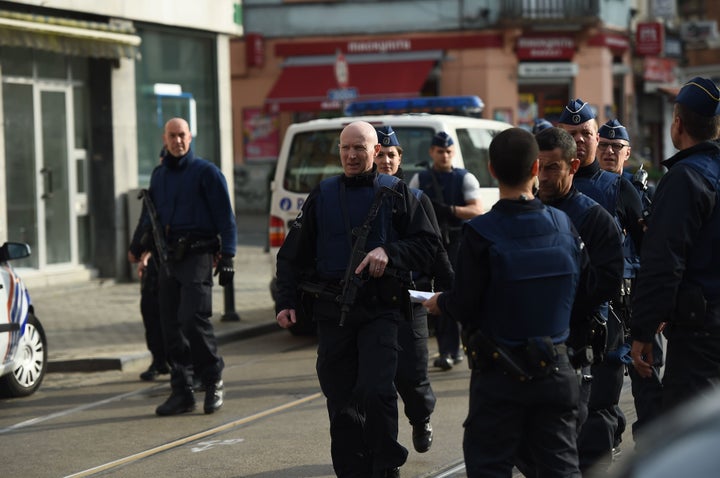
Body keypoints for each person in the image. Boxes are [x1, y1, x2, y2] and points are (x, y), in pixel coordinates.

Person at [275, 120, 440, 478]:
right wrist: (285, 301)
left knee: (377, 391)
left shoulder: (397, 193)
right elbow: (292, 254)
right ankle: (352, 469)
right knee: (340, 396)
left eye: (360, 148)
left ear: (376, 152)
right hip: (333, 313)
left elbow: (429, 246)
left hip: (381, 310)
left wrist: (389, 252)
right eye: (346, 148)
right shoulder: (323, 194)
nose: (351, 155)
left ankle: (385, 465)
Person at [424, 127, 589, 477]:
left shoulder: (480, 233)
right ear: (534, 168)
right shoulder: (564, 225)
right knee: (560, 468)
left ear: (491, 170)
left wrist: (442, 303)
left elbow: (465, 303)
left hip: (499, 377)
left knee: (489, 466)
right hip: (556, 370)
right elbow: (580, 290)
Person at [128, 117, 237, 416]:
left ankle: (213, 379)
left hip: (199, 255)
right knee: (170, 327)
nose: (178, 141)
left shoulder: (207, 172)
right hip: (167, 258)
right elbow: (150, 216)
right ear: (164, 139)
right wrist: (138, 246)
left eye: (183, 135)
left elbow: (225, 218)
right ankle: (183, 390)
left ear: (191, 138)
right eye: (172, 136)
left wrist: (227, 256)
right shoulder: (160, 175)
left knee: (193, 319)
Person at [557, 99, 644, 470]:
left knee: (598, 412)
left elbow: (649, 253)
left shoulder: (619, 189)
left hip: (606, 319)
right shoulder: (549, 186)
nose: (579, 141)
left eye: (586, 134)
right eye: (571, 134)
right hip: (556, 318)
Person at [630, 77, 720, 415]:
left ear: (678, 123)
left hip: (699, 333)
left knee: (690, 434)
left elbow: (664, 263)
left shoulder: (685, 178)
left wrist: (643, 332)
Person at [375, 125, 455, 454]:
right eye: (379, 155)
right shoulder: (356, 198)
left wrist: (452, 293)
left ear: (400, 158)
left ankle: (421, 417)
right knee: (376, 382)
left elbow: (435, 249)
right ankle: (384, 450)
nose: (384, 161)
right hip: (372, 302)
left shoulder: (415, 198)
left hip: (410, 299)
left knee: (412, 374)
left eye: (390, 155)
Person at [597, 119, 664, 441]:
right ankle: (607, 441)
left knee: (648, 382)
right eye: (604, 146)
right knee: (601, 385)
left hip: (638, 300)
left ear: (628, 153)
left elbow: (657, 251)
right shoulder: (586, 191)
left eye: (616, 147)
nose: (609, 152)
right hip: (603, 302)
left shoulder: (644, 195)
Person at [409, 131, 483, 370]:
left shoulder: (464, 178)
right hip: (429, 243)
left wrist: (449, 210)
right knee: (429, 294)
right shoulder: (421, 179)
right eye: (440, 151)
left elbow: (476, 210)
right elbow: (410, 211)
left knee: (450, 291)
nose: (444, 155)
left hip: (455, 241)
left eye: (448, 151)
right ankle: (445, 350)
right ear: (432, 152)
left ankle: (452, 350)